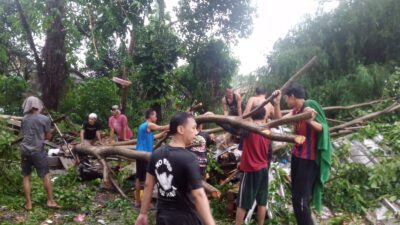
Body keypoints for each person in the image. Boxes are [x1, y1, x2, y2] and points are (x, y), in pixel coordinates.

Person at [135, 112, 216, 225]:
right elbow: (199, 195)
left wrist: (143, 213)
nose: (196, 132)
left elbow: (148, 185)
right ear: (181, 129)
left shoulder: (156, 154)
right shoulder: (190, 158)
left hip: (163, 218)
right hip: (186, 219)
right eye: (193, 128)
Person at [272, 83, 332, 225]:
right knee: (296, 197)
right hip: (297, 156)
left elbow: (324, 128)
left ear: (293, 97)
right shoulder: (295, 111)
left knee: (300, 198)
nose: (287, 102)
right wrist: (276, 103)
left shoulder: (310, 105)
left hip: (309, 159)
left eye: (286, 99)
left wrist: (310, 121)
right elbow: (279, 120)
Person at [20, 96, 60, 210]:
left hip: (24, 151)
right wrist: (52, 132)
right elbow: (48, 137)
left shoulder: (24, 119)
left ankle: (28, 204)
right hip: (37, 151)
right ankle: (50, 201)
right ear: (38, 105)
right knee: (45, 175)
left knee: (26, 177)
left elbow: (24, 134)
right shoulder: (44, 119)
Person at [235, 107, 272, 225]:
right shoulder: (267, 130)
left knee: (242, 202)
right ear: (264, 116)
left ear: (252, 115)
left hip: (250, 169)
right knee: (262, 201)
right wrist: (267, 166)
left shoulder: (248, 129)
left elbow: (232, 128)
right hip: (263, 168)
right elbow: (269, 152)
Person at [135, 109, 169, 208]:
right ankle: (146, 203)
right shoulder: (149, 124)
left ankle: (137, 201)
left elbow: (154, 137)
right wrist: (175, 124)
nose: (156, 117)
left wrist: (163, 134)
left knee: (138, 177)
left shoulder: (144, 126)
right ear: (150, 116)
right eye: (155, 115)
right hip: (144, 155)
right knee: (147, 179)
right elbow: (162, 127)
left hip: (140, 154)